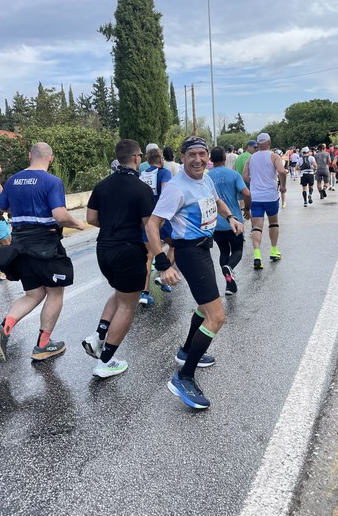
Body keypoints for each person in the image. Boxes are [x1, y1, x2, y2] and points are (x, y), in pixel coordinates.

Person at [145, 136, 243, 409]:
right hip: (189, 252)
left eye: (202, 154)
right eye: (192, 155)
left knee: (204, 306)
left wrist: (231, 217)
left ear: (208, 156)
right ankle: (184, 376)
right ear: (182, 157)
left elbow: (217, 202)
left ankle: (187, 350)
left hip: (203, 248)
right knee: (216, 317)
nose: (197, 159)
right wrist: (163, 263)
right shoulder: (176, 188)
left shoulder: (206, 179)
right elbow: (152, 226)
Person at [0, 143, 85, 363]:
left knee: (33, 294)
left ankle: (3, 329)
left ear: (29, 155)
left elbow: (1, 207)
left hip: (20, 245)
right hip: (45, 245)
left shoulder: (13, 180)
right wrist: (78, 223)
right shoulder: (52, 181)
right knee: (55, 292)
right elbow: (59, 215)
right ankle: (43, 345)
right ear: (51, 159)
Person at [82, 139, 155, 378]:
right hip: (128, 250)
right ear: (136, 158)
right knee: (127, 305)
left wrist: (112, 226)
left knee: (121, 293)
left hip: (103, 249)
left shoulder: (102, 185)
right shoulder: (141, 188)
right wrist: (160, 255)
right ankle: (106, 361)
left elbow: (91, 218)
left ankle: (98, 336)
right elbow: (149, 227)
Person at [207, 146, 251, 295]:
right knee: (237, 250)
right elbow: (246, 193)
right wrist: (247, 209)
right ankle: (230, 268)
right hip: (234, 220)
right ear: (225, 159)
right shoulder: (233, 174)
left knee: (224, 251)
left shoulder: (206, 177)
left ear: (211, 159)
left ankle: (229, 285)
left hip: (216, 222)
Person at [242, 132, 287, 269]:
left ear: (258, 144)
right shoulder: (274, 156)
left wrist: (254, 181)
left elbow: (244, 176)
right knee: (273, 223)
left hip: (255, 197)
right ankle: (273, 251)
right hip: (270, 196)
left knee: (257, 226)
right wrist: (283, 186)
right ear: (269, 142)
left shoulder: (251, 158)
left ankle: (257, 255)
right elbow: (282, 171)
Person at [139, 146, 173, 305]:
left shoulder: (141, 175)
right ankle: (164, 277)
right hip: (161, 217)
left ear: (147, 160)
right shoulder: (164, 173)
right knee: (174, 245)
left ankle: (144, 293)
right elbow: (166, 192)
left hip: (145, 219)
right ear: (161, 159)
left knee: (148, 255)